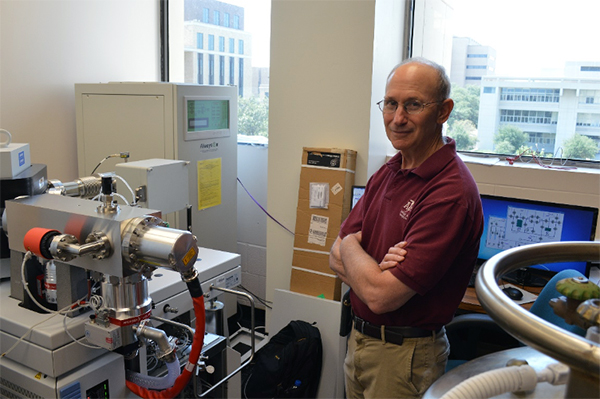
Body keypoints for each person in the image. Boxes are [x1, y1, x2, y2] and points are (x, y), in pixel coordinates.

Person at [329, 57, 484, 399]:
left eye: (413, 105)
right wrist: (368, 264)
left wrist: (354, 247)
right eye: (391, 104)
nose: (398, 118)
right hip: (360, 342)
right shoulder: (390, 170)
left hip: (404, 357)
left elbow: (381, 295)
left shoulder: (450, 192)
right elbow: (333, 256)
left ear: (443, 111)